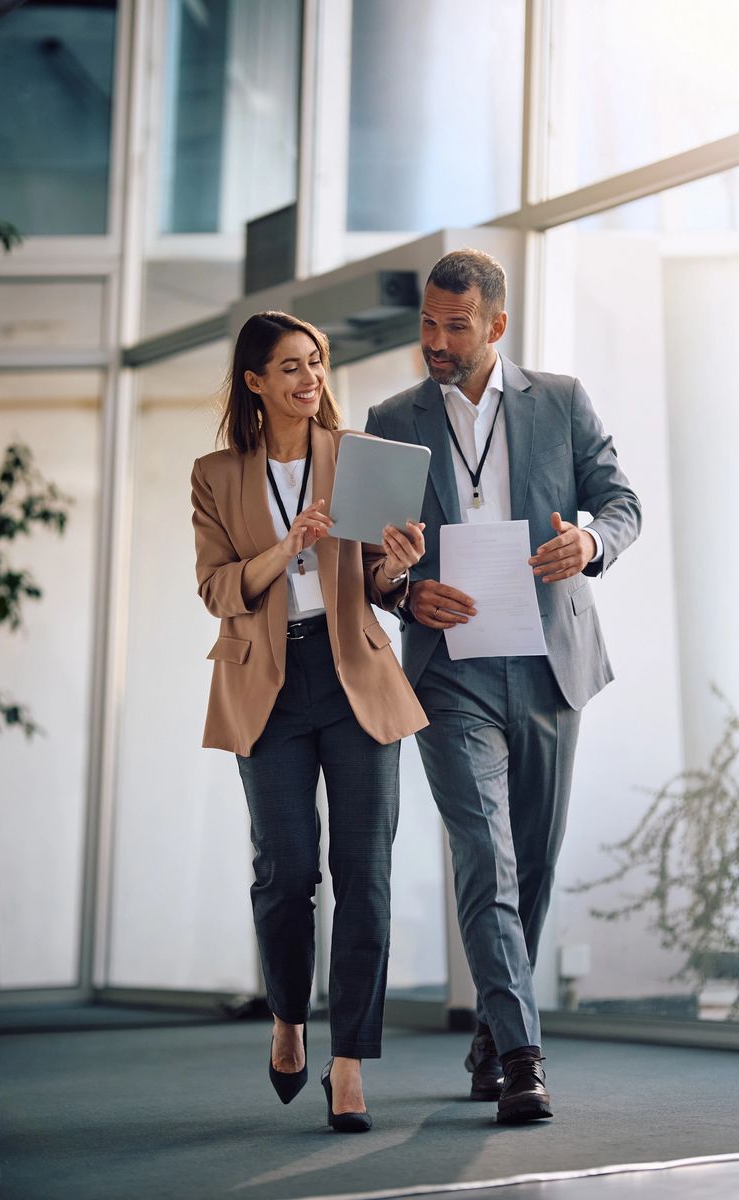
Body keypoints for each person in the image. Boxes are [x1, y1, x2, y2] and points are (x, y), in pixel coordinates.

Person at [366, 249, 641, 1124]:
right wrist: (404, 589)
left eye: (455, 326)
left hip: (549, 659)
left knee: (534, 858)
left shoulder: (560, 401)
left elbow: (622, 502)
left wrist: (590, 543)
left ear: (496, 325)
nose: (437, 343)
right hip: (450, 672)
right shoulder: (388, 419)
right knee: (486, 854)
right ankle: (523, 1056)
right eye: (427, 325)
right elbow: (363, 565)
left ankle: (493, 1025)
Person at [191, 311, 427, 1133]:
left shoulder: (354, 457)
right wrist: (283, 547)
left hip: (353, 671)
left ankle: (351, 1063)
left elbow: (377, 581)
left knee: (366, 874)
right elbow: (217, 588)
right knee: (287, 874)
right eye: (290, 366)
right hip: (268, 683)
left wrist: (396, 565)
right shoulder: (216, 475)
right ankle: (290, 1018)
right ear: (255, 382)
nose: (309, 379)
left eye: (316, 363)